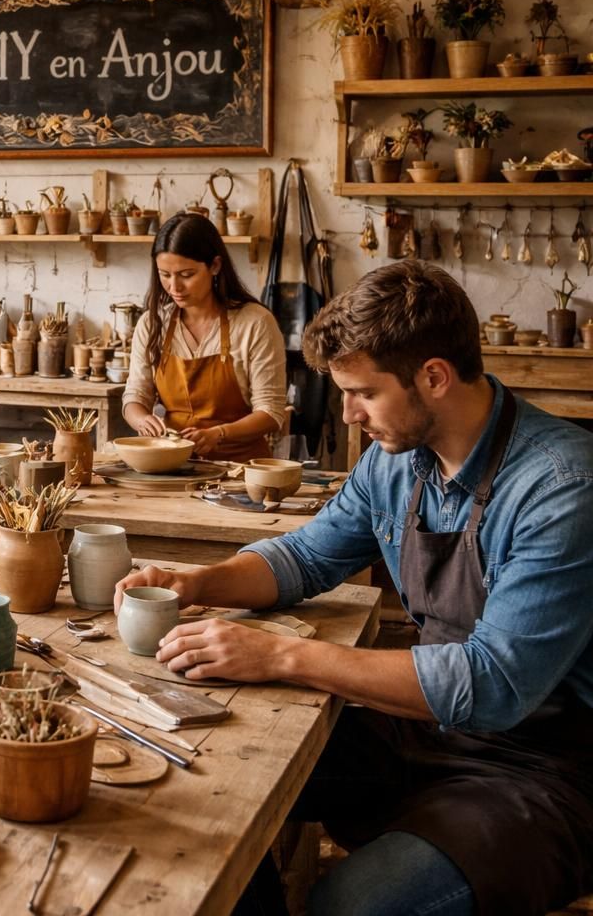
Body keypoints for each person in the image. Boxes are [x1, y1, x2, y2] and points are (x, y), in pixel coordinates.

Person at [116, 260, 593, 916]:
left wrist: (282, 657)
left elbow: (492, 686)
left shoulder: (561, 489)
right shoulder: (395, 460)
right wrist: (200, 581)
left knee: (348, 905)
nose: (348, 413)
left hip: (545, 773)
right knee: (212, 787)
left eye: (363, 393)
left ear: (433, 377)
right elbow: (306, 559)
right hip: (427, 734)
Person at [122, 212, 287, 462]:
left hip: (240, 470)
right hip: (174, 465)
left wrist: (218, 434)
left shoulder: (255, 323)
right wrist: (143, 419)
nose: (174, 287)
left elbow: (271, 413)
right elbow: (135, 397)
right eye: (165, 274)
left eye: (186, 275)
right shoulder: (153, 323)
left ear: (215, 266)